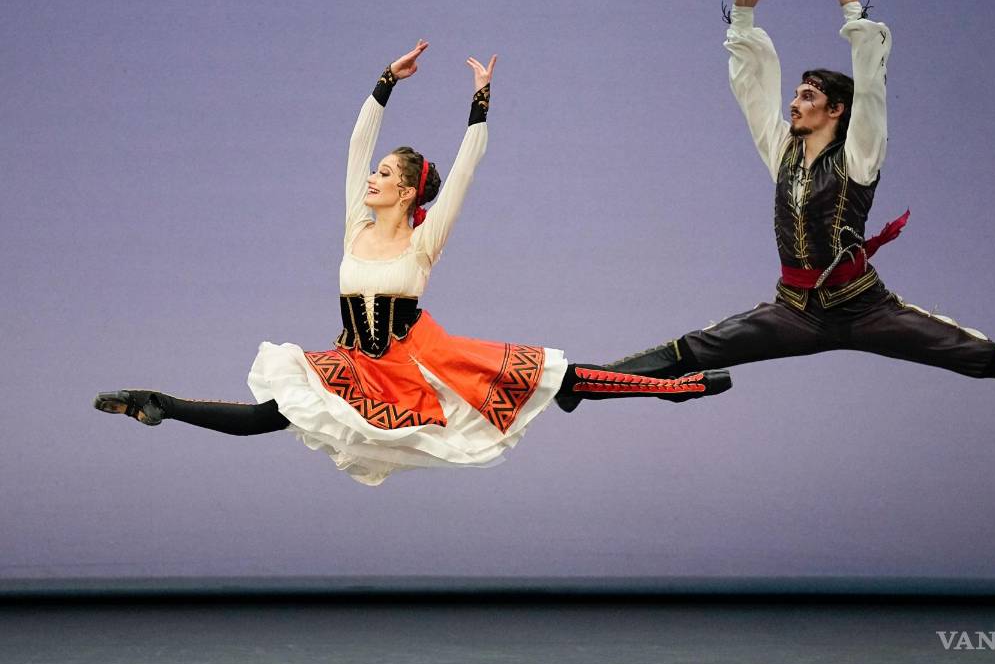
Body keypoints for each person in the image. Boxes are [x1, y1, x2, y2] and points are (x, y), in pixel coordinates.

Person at [95, 41, 730, 485]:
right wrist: (385, 82)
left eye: (386, 176)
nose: (372, 178)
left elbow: (464, 172)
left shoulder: (424, 242)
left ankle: (673, 386)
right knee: (272, 415)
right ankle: (159, 402)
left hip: (419, 356)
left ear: (406, 192)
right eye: (376, 172)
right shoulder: (354, 225)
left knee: (549, 375)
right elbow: (354, 146)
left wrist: (480, 102)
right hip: (353, 361)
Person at [558, 0, 995, 418]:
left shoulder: (860, 155)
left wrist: (854, 15)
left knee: (982, 356)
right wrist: (742, 18)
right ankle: (587, 382)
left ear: (835, 110)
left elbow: (872, 91)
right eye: (796, 94)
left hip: (866, 309)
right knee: (695, 347)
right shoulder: (783, 152)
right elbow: (749, 90)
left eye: (807, 97)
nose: (793, 103)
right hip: (793, 312)